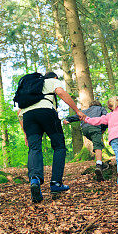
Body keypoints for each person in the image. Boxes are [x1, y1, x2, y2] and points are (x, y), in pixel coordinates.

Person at [18, 71, 87, 203]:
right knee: (59, 146)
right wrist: (77, 110)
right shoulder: (51, 81)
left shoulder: (30, 88)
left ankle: (35, 179)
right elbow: (60, 92)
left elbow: (19, 114)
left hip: (28, 117)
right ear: (55, 77)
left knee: (34, 149)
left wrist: (26, 133)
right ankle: (56, 183)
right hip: (46, 112)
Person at [63, 100, 110, 180]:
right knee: (98, 145)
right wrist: (104, 129)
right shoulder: (101, 109)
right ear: (99, 105)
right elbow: (106, 118)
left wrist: (68, 119)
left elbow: (78, 116)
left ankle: (100, 160)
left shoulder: (85, 111)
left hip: (85, 130)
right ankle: (99, 164)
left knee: (96, 142)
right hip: (94, 127)